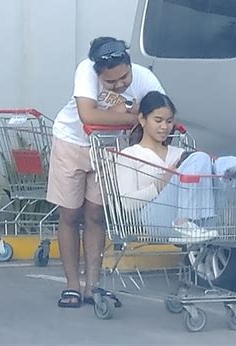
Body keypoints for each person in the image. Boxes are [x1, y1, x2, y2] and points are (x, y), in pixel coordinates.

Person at [47, 37, 164, 308]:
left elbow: (161, 110)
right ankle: (72, 286)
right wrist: (136, 117)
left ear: (130, 64)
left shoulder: (145, 78)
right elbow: (88, 115)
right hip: (71, 143)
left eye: (124, 77)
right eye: (110, 82)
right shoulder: (85, 70)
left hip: (110, 148)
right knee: (69, 214)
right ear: (97, 73)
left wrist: (145, 119)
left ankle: (92, 286)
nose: (120, 84)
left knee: (95, 214)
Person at [116, 91, 236, 242]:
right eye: (158, 120)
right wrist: (162, 181)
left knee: (211, 162)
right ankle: (184, 221)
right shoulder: (129, 155)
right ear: (143, 119)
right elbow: (128, 204)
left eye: (169, 121)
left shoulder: (178, 152)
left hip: (200, 221)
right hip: (154, 218)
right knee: (198, 157)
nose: (165, 127)